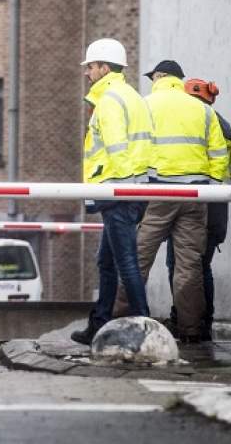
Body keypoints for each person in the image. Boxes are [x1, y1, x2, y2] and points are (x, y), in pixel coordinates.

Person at [116, 60, 229, 343]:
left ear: (161, 77)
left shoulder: (144, 105)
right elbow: (218, 155)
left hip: (157, 194)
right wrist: (211, 190)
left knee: (137, 259)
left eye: (153, 77)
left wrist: (134, 185)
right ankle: (191, 331)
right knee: (189, 266)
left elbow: (134, 148)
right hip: (195, 196)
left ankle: (120, 324)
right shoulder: (203, 109)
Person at [70, 38, 155, 346]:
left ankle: (146, 329)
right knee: (106, 261)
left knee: (125, 262)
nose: (87, 73)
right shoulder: (132, 96)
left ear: (104, 68)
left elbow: (117, 149)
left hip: (118, 191)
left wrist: (117, 188)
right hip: (131, 189)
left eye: (90, 66)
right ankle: (99, 322)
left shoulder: (109, 101)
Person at [165, 78, 231, 340]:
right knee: (198, 266)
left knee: (183, 266)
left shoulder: (206, 123)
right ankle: (198, 321)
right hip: (214, 209)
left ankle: (190, 321)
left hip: (202, 207)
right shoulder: (221, 124)